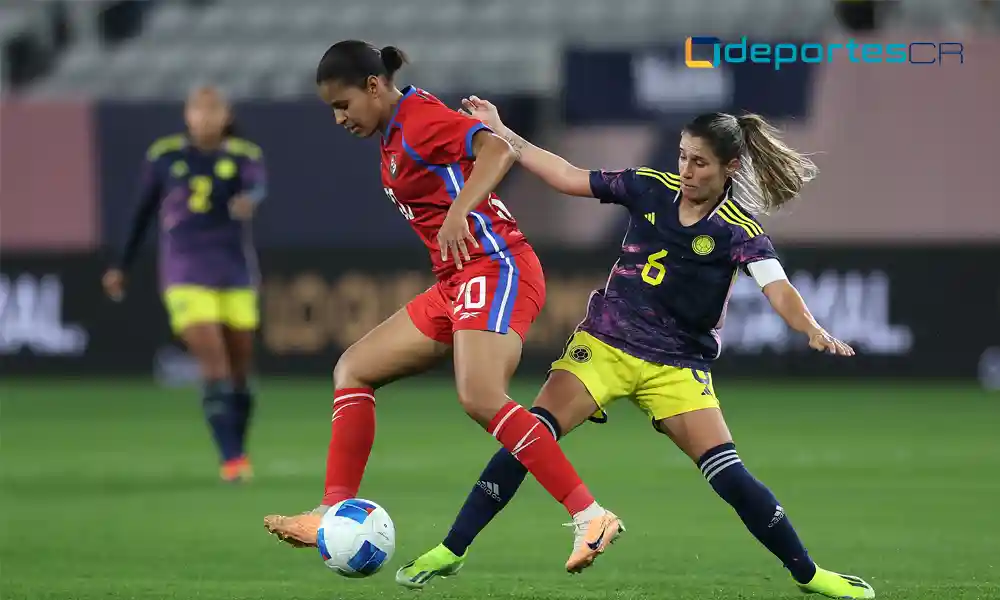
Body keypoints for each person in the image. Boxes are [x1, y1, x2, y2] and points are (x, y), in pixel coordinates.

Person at [396, 97, 876, 599]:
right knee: (529, 436)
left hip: (676, 367)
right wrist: (504, 133)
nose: (686, 170)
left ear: (730, 167)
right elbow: (565, 176)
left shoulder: (739, 230)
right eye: (683, 156)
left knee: (730, 476)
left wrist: (811, 328)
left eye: (700, 162)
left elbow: (777, 287)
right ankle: (452, 549)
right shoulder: (649, 187)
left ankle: (810, 575)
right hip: (605, 346)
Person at [261, 41, 622, 574]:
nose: (339, 119)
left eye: (344, 105)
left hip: (496, 267)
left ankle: (590, 514)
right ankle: (331, 510)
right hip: (456, 279)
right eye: (331, 110)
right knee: (354, 369)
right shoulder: (394, 133)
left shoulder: (420, 119)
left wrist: (457, 212)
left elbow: (497, 151)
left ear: (373, 86)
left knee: (479, 396)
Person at [102, 86, 266, 483]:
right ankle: (231, 460)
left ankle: (237, 446)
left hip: (234, 272)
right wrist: (120, 265)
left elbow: (258, 186)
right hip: (184, 272)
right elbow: (142, 212)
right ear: (187, 114)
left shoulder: (244, 155)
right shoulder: (164, 156)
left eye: (213, 110)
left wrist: (250, 200)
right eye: (198, 110)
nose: (205, 118)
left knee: (240, 370)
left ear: (226, 115)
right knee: (215, 363)